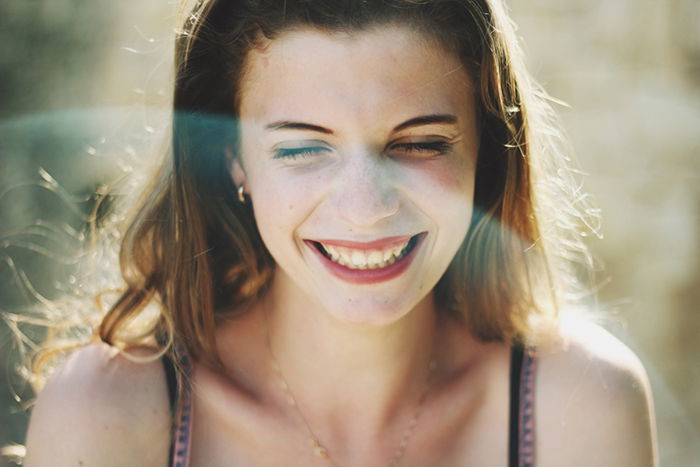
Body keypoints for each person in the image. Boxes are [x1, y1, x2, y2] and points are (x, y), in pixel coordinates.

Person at [22, 0, 657, 465]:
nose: (364, 208)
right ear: (231, 156)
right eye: (302, 149)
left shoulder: (578, 407)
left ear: (486, 152)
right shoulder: (108, 415)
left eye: (419, 143)